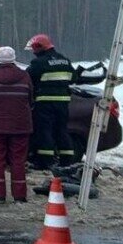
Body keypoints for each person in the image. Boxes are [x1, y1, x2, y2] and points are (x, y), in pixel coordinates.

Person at [0, 46, 33, 203]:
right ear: (14, 59)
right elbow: (30, 99)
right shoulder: (25, 76)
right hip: (20, 125)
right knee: (18, 161)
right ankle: (20, 196)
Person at [25, 34, 76, 169]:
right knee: (61, 130)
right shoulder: (65, 60)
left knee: (44, 131)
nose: (34, 52)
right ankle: (67, 160)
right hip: (63, 103)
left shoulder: (38, 63)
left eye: (34, 49)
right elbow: (73, 77)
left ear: (39, 47)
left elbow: (27, 78)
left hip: (44, 102)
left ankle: (44, 161)